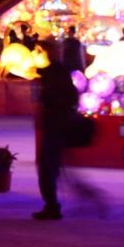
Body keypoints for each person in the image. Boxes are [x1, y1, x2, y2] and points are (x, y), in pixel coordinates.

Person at [32, 52, 82, 220]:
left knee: (47, 168)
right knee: (52, 168)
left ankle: (51, 205)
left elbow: (49, 100)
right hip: (60, 127)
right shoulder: (65, 82)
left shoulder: (54, 83)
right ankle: (51, 203)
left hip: (54, 128)